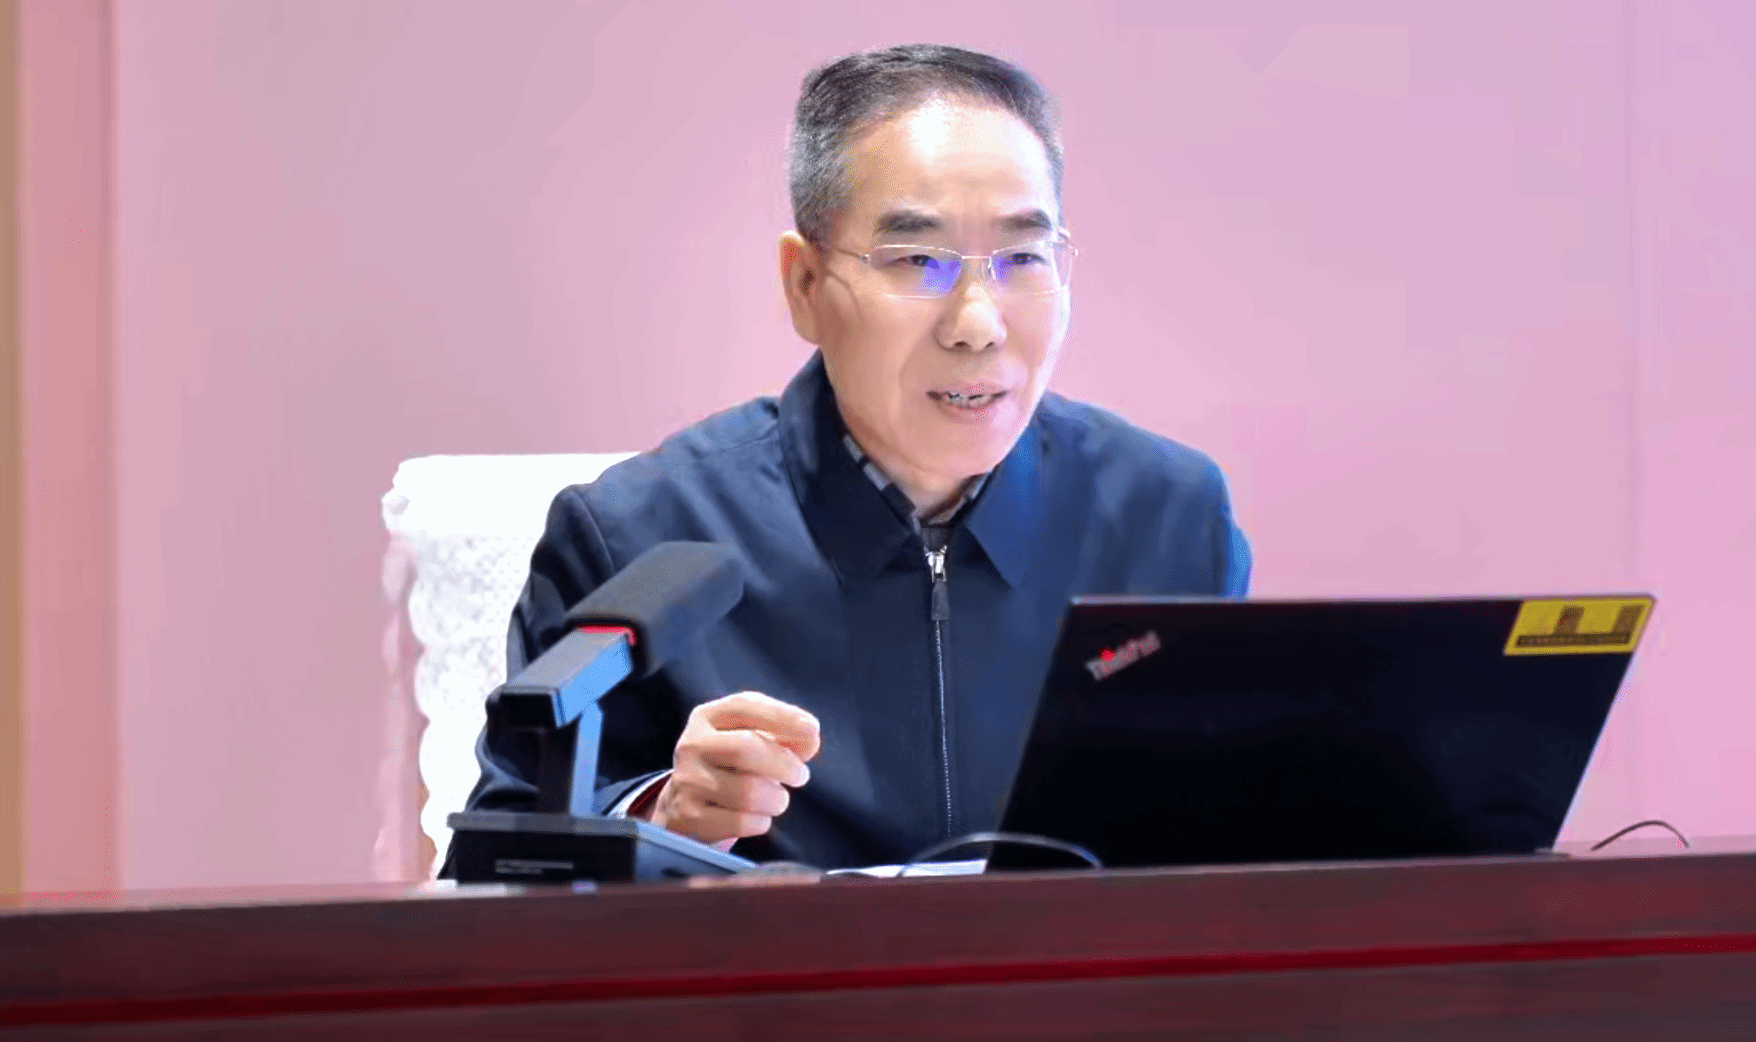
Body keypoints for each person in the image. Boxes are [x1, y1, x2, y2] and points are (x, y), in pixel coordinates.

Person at [455, 44, 1250, 870]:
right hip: (778, 959)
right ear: (804, 284)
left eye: (1022, 259)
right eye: (918, 262)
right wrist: (661, 817)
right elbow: (491, 875)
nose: (977, 324)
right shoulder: (637, 537)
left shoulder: (1171, 517)